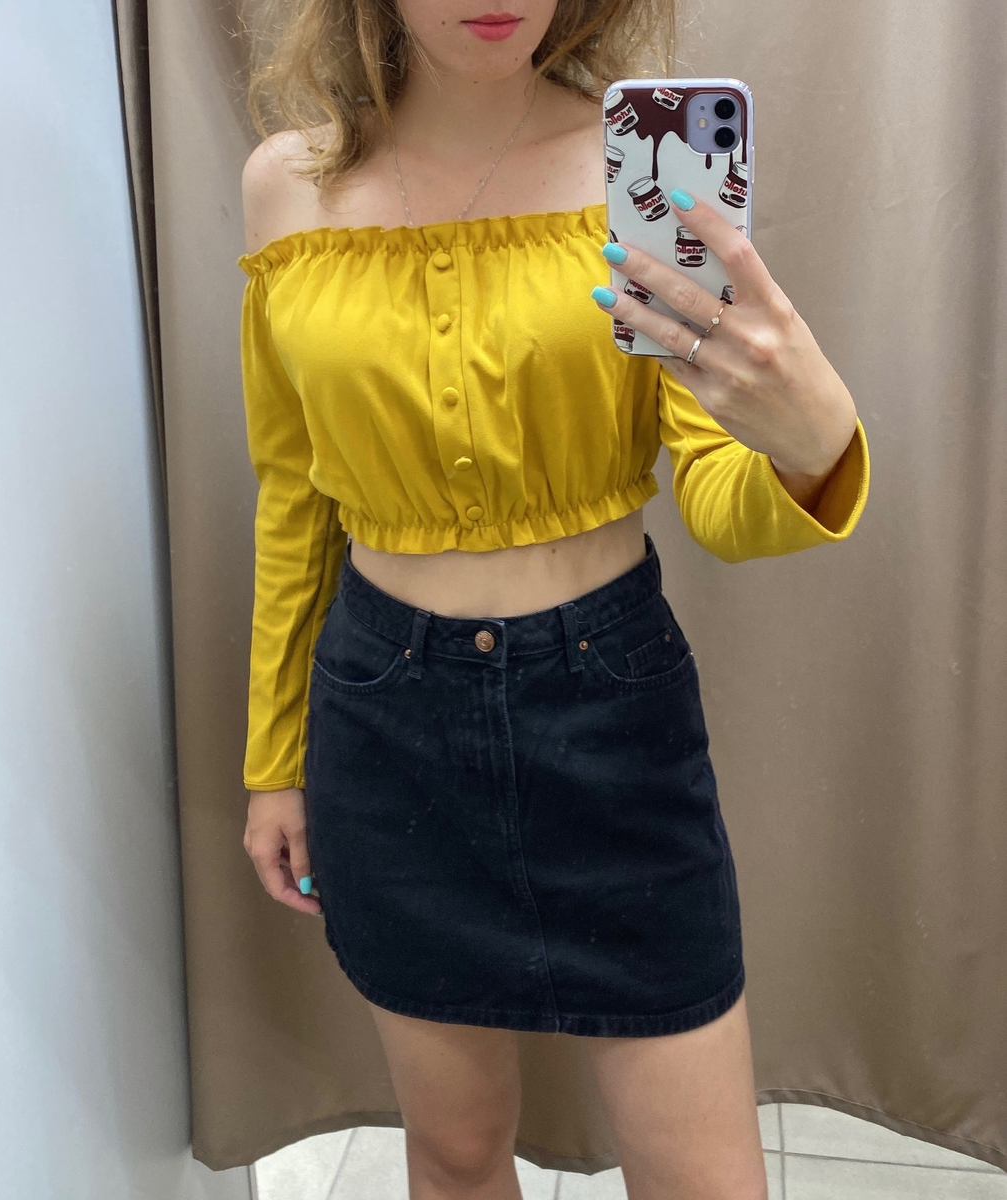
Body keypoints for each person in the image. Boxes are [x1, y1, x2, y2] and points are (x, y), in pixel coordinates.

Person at [237, 2, 869, 1196]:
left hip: (608, 709)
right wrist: (274, 760)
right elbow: (291, 496)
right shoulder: (287, 188)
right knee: (454, 1152)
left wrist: (811, 448)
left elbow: (716, 498)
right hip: (384, 721)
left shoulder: (649, 171)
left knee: (702, 1180)